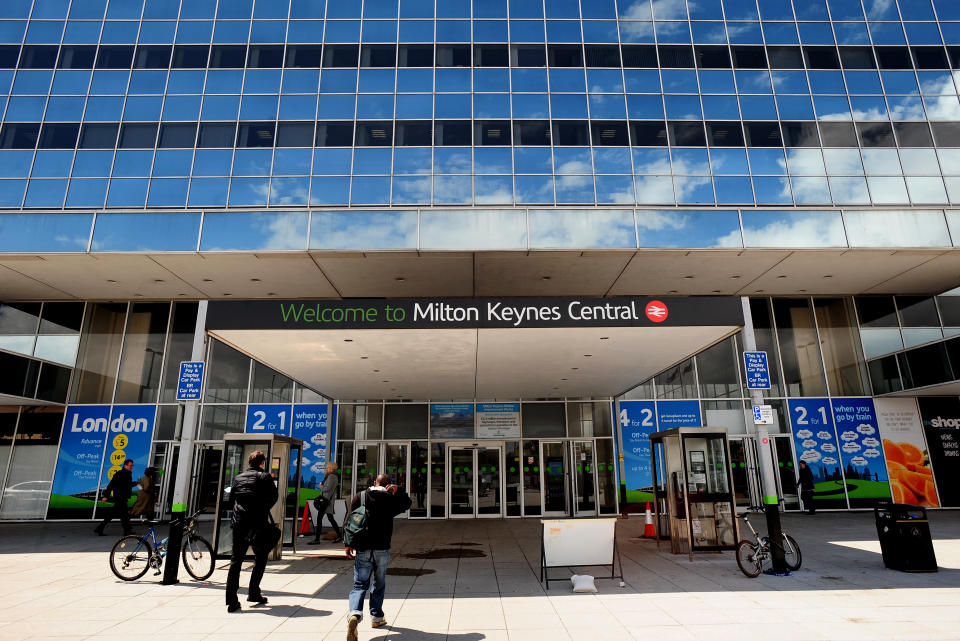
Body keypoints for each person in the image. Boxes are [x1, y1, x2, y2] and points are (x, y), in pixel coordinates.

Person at [345, 474, 412, 641]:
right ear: (388, 485)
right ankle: (376, 616)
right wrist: (399, 491)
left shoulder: (360, 496)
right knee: (379, 582)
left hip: (363, 548)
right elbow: (407, 504)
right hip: (382, 548)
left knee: (360, 583)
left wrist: (348, 543)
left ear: (374, 483)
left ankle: (355, 613)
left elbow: (349, 519)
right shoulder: (389, 499)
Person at [225, 450, 279, 613]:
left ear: (249, 463)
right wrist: (262, 508)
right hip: (258, 523)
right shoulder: (265, 477)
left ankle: (232, 600)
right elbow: (273, 497)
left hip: (239, 523)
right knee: (261, 557)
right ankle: (254, 591)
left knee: (236, 561)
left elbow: (231, 500)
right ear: (262, 463)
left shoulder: (238, 478)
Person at [94, 459, 136, 536]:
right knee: (124, 515)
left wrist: (135, 483)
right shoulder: (120, 474)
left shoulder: (127, 473)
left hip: (122, 497)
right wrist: (106, 496)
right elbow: (111, 485)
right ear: (125, 465)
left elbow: (127, 485)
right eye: (130, 465)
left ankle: (100, 528)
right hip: (120, 497)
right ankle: (127, 531)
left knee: (114, 514)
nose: (131, 467)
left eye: (132, 465)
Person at [310, 462, 342, 544]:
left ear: (331, 468)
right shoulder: (331, 476)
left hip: (326, 501)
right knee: (330, 519)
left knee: (319, 518)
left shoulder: (332, 476)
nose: (327, 469)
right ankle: (340, 536)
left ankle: (317, 539)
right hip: (327, 501)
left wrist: (321, 487)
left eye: (328, 467)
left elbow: (327, 488)